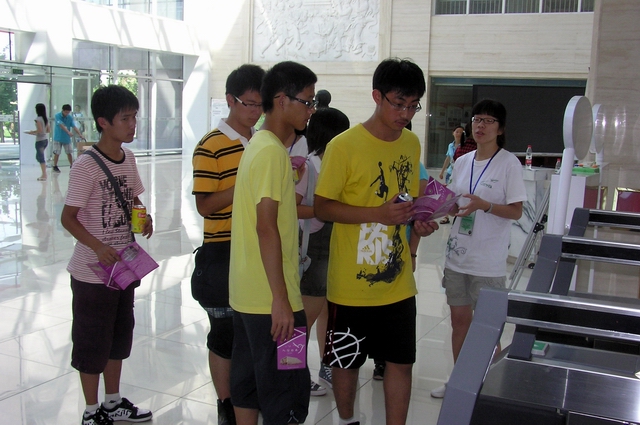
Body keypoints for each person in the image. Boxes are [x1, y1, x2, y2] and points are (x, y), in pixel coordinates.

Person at [314, 58, 438, 425]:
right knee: (346, 361)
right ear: (376, 96)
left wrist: (419, 220)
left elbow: (409, 201)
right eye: (398, 104)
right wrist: (378, 214)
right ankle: (346, 420)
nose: (406, 114)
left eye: (413, 105)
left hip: (397, 282)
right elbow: (322, 207)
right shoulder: (343, 146)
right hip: (351, 283)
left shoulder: (411, 143)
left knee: (401, 362)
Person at [228, 61, 317, 425]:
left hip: (248, 297)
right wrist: (281, 301)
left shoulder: (258, 145)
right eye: (307, 101)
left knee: (247, 386)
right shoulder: (270, 153)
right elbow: (267, 227)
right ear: (281, 100)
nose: (311, 110)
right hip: (275, 303)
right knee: (287, 396)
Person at [61, 85, 154, 425]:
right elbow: (67, 217)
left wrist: (143, 217)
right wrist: (97, 246)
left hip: (123, 269)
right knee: (91, 342)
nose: (132, 125)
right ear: (103, 122)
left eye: (134, 117)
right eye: (125, 119)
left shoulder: (128, 159)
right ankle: (91, 411)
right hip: (91, 273)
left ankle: (113, 402)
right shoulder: (85, 166)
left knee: (118, 338)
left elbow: (132, 198)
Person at [430, 99, 527, 399]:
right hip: (457, 257)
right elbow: (455, 202)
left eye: (488, 120)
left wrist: (485, 205)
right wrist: (437, 205)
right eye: (476, 119)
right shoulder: (462, 161)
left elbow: (516, 211)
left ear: (501, 129)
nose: (480, 125)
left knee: (487, 329)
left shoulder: (509, 163)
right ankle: (460, 382)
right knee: (459, 323)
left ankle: (490, 389)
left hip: (488, 261)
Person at [190, 63, 265, 425]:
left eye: (261, 105)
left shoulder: (263, 141)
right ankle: (226, 404)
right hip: (223, 250)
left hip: (258, 247)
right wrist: (244, 185)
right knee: (223, 334)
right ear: (230, 100)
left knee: (252, 332)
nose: (256, 112)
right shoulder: (211, 146)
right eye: (249, 104)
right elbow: (205, 206)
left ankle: (249, 398)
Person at [295, 107, 350, 394]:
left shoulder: (336, 164)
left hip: (335, 244)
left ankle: (327, 364)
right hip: (314, 247)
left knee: (329, 309)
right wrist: (324, 210)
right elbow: (291, 207)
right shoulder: (309, 167)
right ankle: (292, 372)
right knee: (303, 317)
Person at [439, 125, 465, 224]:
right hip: (450, 172)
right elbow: (448, 159)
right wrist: (442, 171)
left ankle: (460, 213)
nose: (459, 134)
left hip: (460, 173)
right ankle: (445, 216)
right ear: (453, 133)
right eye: (457, 131)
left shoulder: (464, 146)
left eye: (461, 132)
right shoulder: (450, 145)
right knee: (448, 195)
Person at [53, 104, 85, 172]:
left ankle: (72, 165)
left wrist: (80, 134)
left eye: (68, 112)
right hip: (58, 138)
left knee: (69, 152)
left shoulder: (70, 117)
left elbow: (74, 126)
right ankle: (55, 166)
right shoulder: (57, 116)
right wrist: (68, 132)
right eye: (66, 112)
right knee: (57, 153)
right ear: (63, 110)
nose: (67, 114)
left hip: (66, 138)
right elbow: (61, 125)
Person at [25, 103, 51, 181]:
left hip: (40, 140)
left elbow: (39, 130)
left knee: (41, 157)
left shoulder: (38, 119)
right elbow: (48, 130)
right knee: (39, 157)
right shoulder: (45, 119)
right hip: (45, 140)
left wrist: (31, 132)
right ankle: (44, 172)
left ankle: (44, 174)